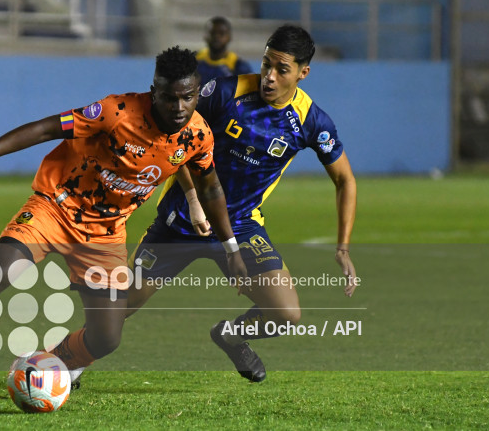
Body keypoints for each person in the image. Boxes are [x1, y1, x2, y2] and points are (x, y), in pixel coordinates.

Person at [0, 46, 248, 390]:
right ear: (154, 91)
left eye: (189, 97)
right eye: (170, 97)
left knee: (106, 338)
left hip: (104, 235)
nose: (179, 106)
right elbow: (46, 128)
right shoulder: (116, 112)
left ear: (198, 92)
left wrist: (230, 246)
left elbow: (211, 187)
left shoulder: (198, 135)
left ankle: (46, 363)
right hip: (55, 206)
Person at [73, 24, 357, 385]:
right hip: (180, 221)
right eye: (266, 63)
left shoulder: (311, 122)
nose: (268, 77)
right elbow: (176, 142)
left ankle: (232, 335)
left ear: (303, 73)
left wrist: (343, 247)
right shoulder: (225, 93)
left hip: (240, 225)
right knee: (122, 306)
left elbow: (345, 180)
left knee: (286, 313)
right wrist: (193, 200)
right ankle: (71, 361)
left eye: (281, 70)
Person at [195, 16, 253, 84]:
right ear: (205, 36)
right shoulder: (194, 60)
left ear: (229, 37)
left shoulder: (238, 66)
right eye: (212, 33)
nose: (217, 36)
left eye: (221, 33)